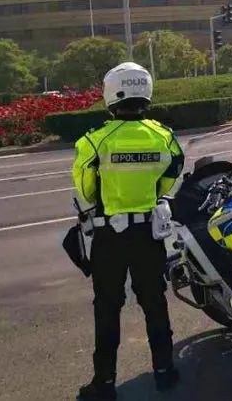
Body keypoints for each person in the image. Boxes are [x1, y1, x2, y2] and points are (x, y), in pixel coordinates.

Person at [72, 62, 184, 400]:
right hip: (148, 233)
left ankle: (104, 383)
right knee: (154, 303)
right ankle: (164, 371)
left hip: (110, 236)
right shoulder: (163, 136)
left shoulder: (95, 140)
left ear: (112, 94)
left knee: (107, 308)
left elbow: (84, 187)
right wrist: (149, 195)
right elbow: (172, 173)